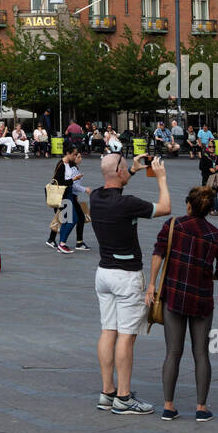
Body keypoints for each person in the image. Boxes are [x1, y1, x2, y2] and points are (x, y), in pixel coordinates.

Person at [89, 152, 171, 415]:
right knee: (126, 336)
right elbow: (165, 207)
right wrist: (161, 178)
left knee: (107, 331)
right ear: (120, 171)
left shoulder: (95, 197)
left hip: (104, 273)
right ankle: (124, 398)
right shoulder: (129, 204)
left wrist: (132, 170)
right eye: (125, 167)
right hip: (126, 275)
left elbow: (114, 183)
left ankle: (107, 391)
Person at [146, 186, 218, 422]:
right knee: (201, 353)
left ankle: (168, 406)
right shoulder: (217, 235)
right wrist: (208, 274)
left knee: (173, 352)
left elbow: (157, 254)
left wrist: (152, 284)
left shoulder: (173, 226)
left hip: (173, 296)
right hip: (202, 299)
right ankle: (201, 408)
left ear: (189, 205)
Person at [47, 146, 91, 252]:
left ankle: (61, 243)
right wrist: (74, 179)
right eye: (74, 154)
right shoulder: (62, 165)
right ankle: (61, 243)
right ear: (67, 153)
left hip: (68, 195)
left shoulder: (66, 165)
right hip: (63, 195)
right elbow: (60, 182)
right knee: (72, 219)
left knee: (68, 219)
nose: (75, 157)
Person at [199, 142, 218, 216]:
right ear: (208, 148)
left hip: (215, 178)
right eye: (210, 147)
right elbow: (201, 167)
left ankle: (213, 209)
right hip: (207, 178)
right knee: (211, 194)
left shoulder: (216, 157)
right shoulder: (205, 156)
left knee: (213, 194)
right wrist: (209, 169)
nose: (212, 148)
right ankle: (216, 209)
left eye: (213, 147)